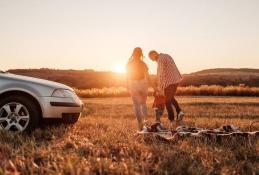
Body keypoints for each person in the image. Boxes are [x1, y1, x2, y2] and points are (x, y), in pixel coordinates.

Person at [149, 50, 184, 123]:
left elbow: (161, 74)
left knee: (167, 101)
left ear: (154, 54)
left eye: (151, 58)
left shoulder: (160, 59)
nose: (152, 60)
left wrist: (160, 88)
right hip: (176, 80)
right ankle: (179, 112)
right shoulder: (167, 55)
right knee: (170, 98)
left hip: (169, 82)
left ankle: (171, 119)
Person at [127, 47, 149, 132]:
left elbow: (127, 75)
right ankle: (146, 122)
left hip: (133, 83)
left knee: (136, 105)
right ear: (141, 54)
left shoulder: (130, 63)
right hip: (143, 83)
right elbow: (147, 75)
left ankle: (140, 124)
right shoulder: (143, 63)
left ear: (133, 53)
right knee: (143, 103)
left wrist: (127, 86)